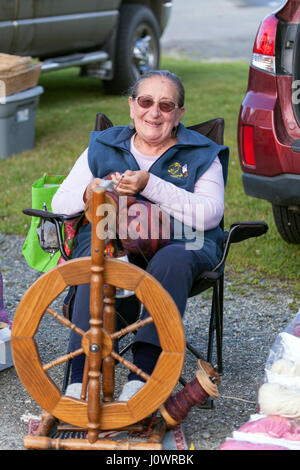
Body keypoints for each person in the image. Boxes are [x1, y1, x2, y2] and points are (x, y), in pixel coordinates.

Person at [51, 70, 229, 401]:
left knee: (173, 258)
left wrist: (150, 184)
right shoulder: (104, 144)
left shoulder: (202, 152)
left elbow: (209, 213)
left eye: (166, 105)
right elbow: (60, 203)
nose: (154, 112)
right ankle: (79, 378)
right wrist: (89, 190)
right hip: (110, 233)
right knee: (94, 251)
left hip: (184, 239)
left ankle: (141, 374)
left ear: (179, 114)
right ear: (132, 106)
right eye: (146, 101)